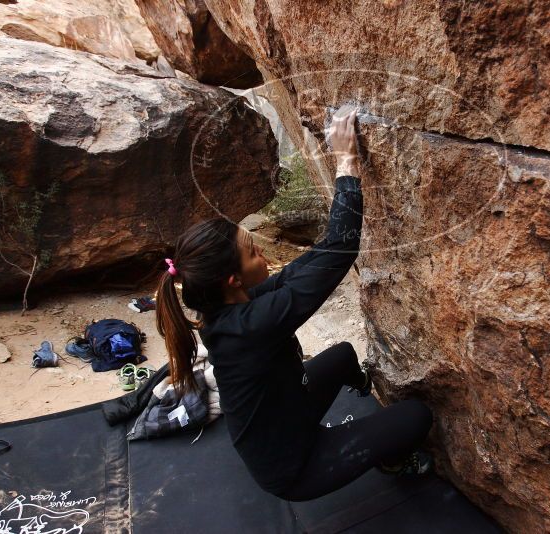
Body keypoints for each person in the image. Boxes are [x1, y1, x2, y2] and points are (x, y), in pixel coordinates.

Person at [154, 107, 433, 502]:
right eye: (254, 253)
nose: (263, 256)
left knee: (342, 356)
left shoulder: (232, 305)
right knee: (415, 417)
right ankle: (391, 458)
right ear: (232, 280)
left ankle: (365, 400)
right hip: (292, 467)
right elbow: (340, 250)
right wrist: (347, 161)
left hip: (287, 412)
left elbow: (312, 264)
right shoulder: (251, 326)